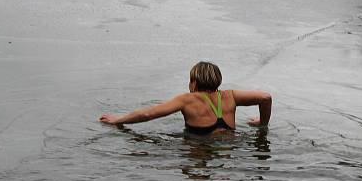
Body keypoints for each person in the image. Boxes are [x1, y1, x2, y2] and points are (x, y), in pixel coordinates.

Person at [99, 61, 271, 133]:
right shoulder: (231, 96)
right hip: (228, 148)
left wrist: (118, 120)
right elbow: (265, 97)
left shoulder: (187, 100)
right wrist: (262, 124)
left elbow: (148, 114)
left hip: (198, 147)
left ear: (193, 83)